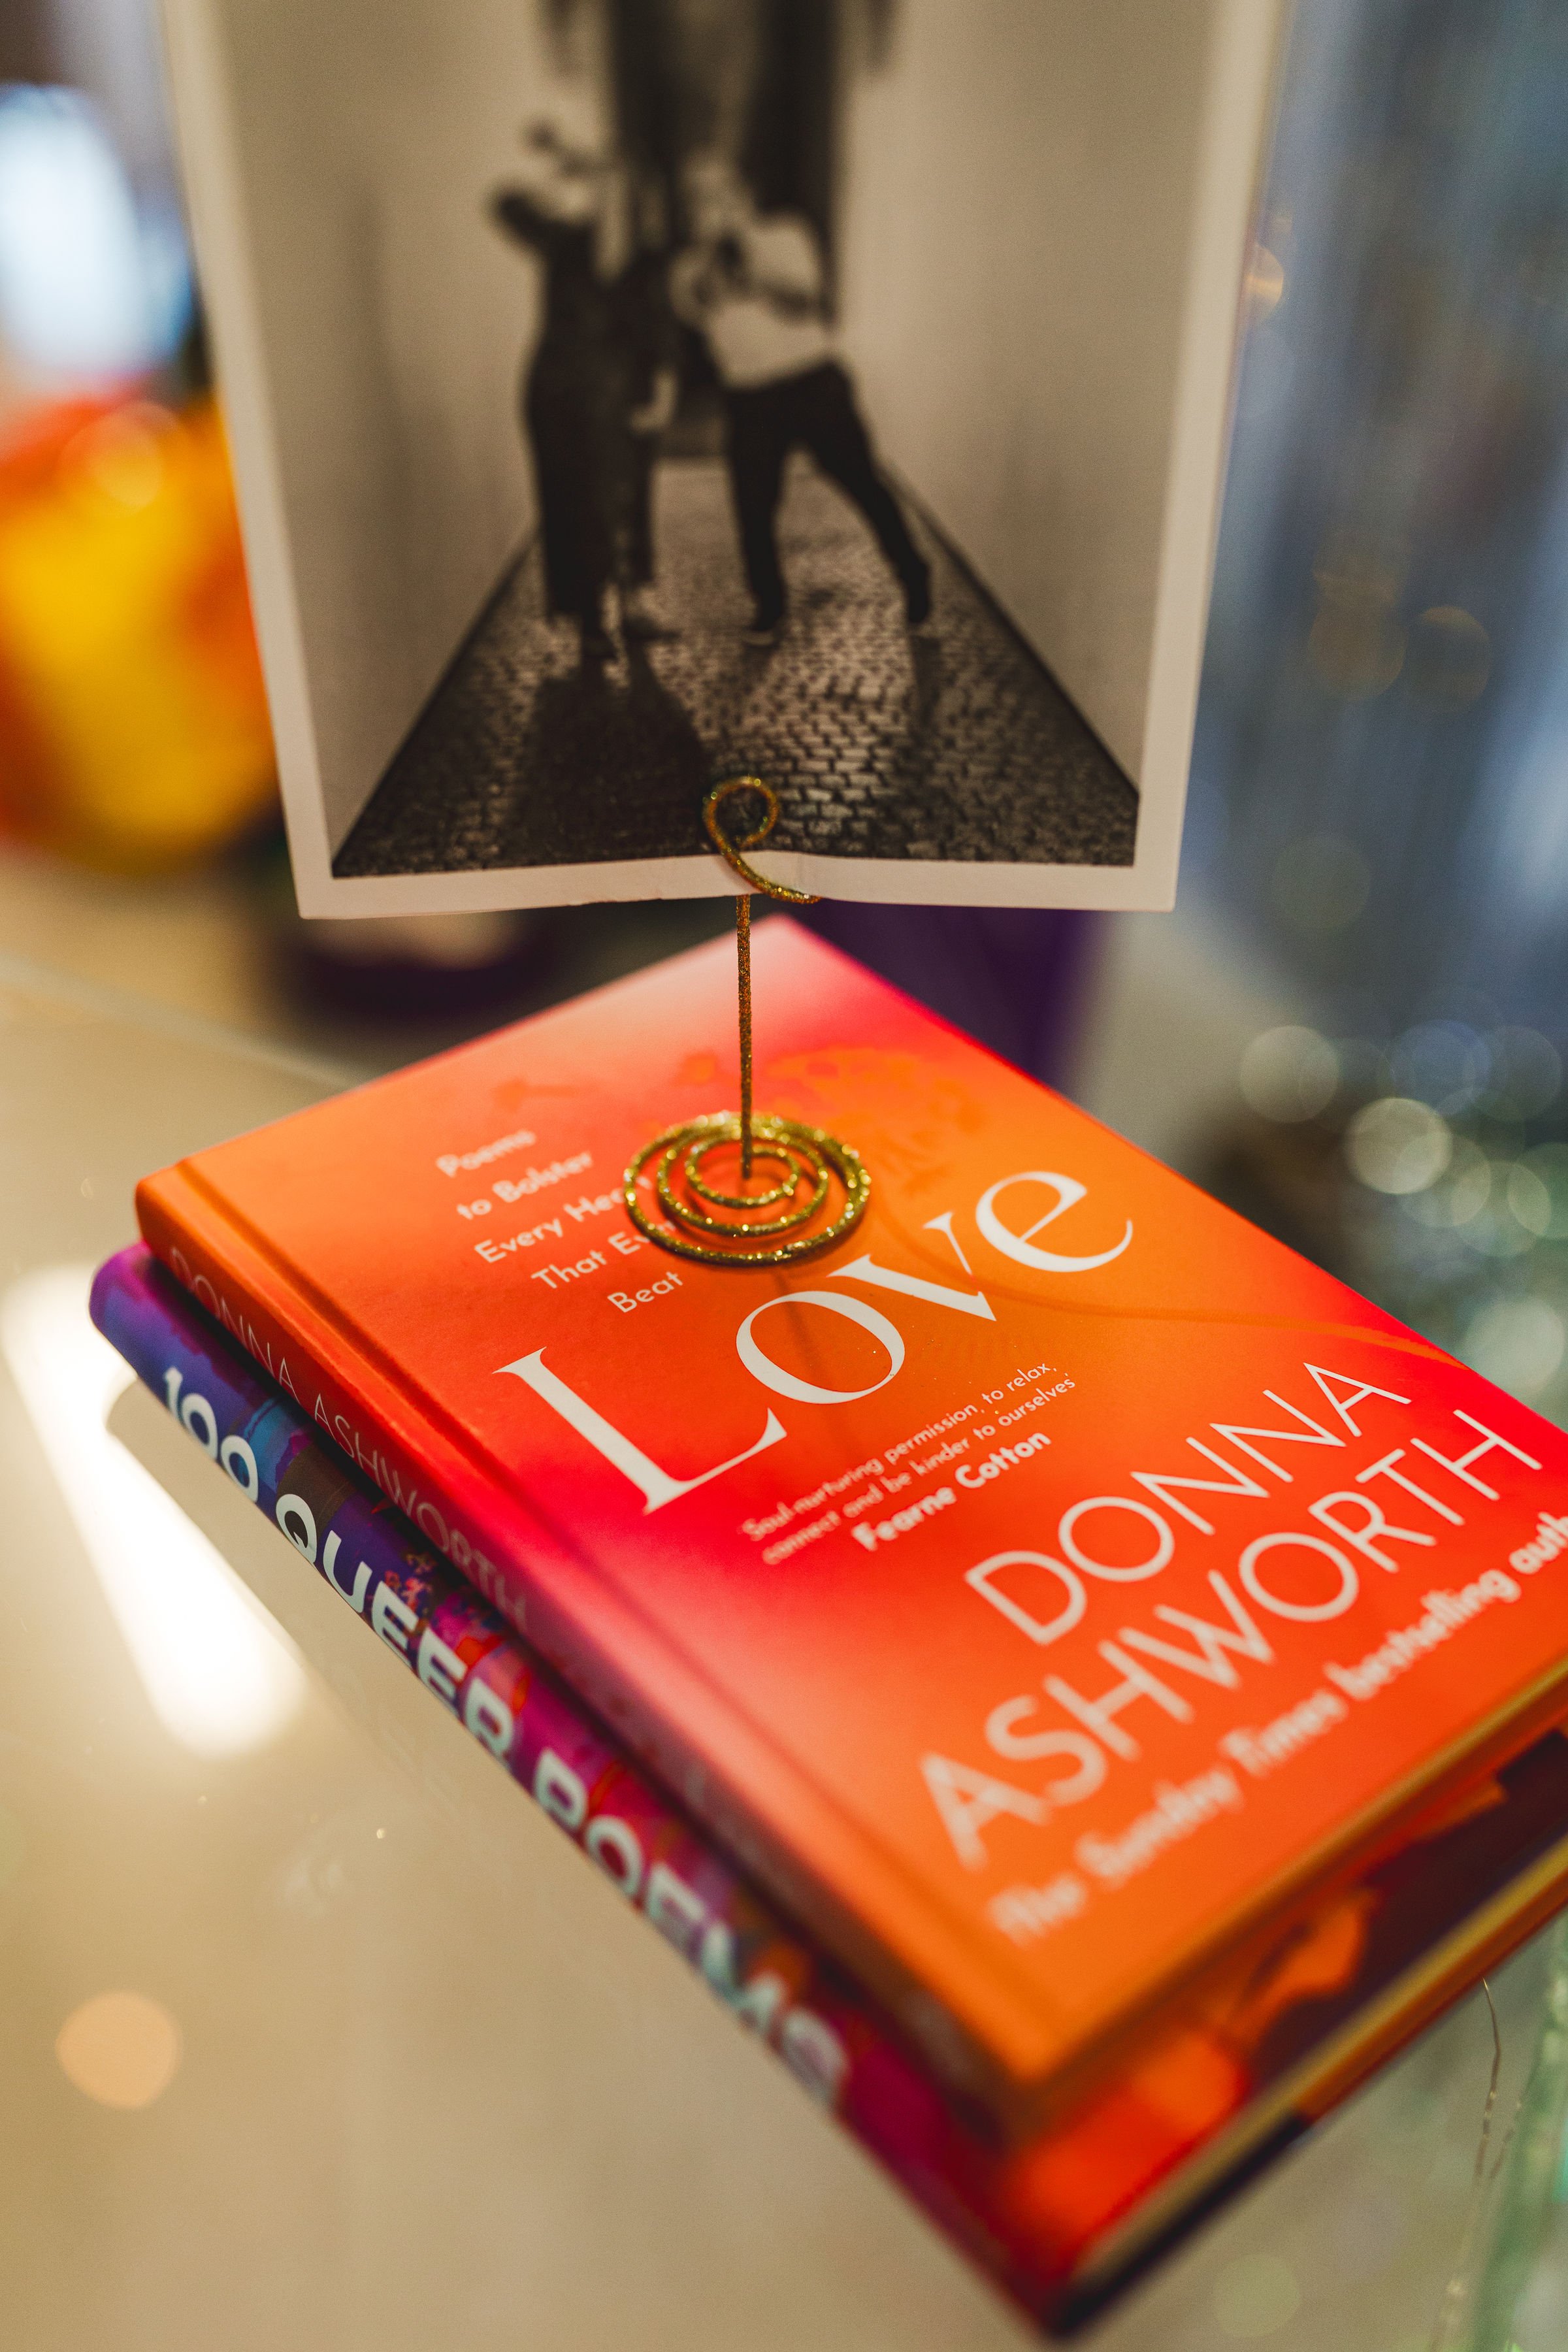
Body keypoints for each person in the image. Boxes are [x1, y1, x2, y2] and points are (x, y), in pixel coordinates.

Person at [671, 154, 931, 647]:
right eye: (698, 198)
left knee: (861, 482)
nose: (710, 205)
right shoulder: (687, 268)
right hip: (748, 395)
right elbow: (694, 308)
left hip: (812, 382)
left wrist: (746, 250)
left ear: (742, 194)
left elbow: (805, 297)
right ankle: (768, 605)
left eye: (718, 193)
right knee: (752, 506)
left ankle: (912, 569)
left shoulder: (785, 235)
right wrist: (713, 254)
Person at [491, 124, 632, 663]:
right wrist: (563, 171)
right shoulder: (565, 238)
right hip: (556, 380)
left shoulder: (612, 246)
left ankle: (600, 611)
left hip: (595, 381)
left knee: (597, 496)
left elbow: (612, 183)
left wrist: (576, 161)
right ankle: (583, 614)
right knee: (563, 494)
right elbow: (503, 203)